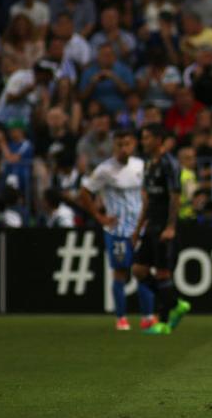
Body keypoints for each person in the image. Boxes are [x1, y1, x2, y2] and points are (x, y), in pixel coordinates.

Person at [79, 129, 154, 331]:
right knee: (120, 273)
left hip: (140, 229)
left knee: (143, 270)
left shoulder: (141, 165)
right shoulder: (105, 170)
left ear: (134, 144)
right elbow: (84, 192)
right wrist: (99, 216)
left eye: (127, 144)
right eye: (119, 144)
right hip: (117, 230)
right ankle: (121, 317)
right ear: (114, 146)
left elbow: (146, 193)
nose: (123, 148)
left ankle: (148, 317)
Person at [130, 124, 190, 335]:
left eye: (147, 138)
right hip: (151, 225)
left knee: (163, 272)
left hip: (165, 226)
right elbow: (147, 200)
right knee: (138, 269)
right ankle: (175, 303)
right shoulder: (148, 164)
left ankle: (164, 322)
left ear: (158, 140)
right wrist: (138, 228)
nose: (143, 141)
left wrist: (171, 226)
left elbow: (175, 196)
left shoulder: (169, 164)